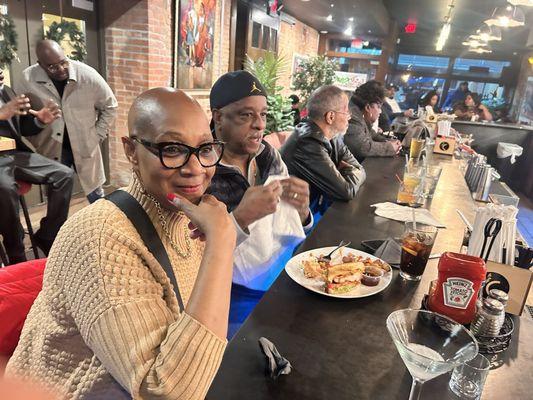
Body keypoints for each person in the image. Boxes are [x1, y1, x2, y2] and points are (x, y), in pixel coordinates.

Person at [6, 88, 236, 399]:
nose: (195, 167)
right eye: (171, 148)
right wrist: (221, 245)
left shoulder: (187, 215)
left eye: (204, 148)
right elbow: (167, 391)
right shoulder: (100, 238)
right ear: (130, 151)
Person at [208, 71, 311, 335]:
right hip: (226, 298)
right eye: (246, 115)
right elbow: (190, 252)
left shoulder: (268, 155)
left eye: (263, 114)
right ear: (218, 117)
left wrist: (302, 212)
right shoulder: (201, 169)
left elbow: (290, 223)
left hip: (278, 280)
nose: (259, 125)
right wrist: (239, 218)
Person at [19, 39, 118, 203]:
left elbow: (111, 106)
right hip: (52, 147)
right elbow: (21, 115)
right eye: (52, 66)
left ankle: (101, 225)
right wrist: (37, 139)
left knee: (96, 195)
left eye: (63, 62)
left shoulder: (87, 75)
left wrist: (97, 135)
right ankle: (59, 229)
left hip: (85, 144)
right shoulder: (27, 78)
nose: (61, 69)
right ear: (40, 64)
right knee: (57, 198)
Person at [0, 69, 72, 261]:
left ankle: (48, 234)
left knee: (64, 175)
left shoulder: (6, 92)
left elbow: (21, 128)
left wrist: (39, 121)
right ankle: (15, 250)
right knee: (6, 189)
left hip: (14, 154)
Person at [281, 85, 366, 214]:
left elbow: (359, 168)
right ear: (330, 117)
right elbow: (346, 191)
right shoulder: (308, 143)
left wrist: (349, 171)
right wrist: (349, 169)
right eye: (346, 111)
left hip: (313, 209)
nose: (350, 116)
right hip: (297, 221)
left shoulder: (332, 136)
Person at [345, 80, 402, 162]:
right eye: (378, 107)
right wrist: (390, 147)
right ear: (368, 107)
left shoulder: (359, 113)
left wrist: (387, 141)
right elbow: (362, 148)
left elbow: (370, 133)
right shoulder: (352, 117)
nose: (380, 111)